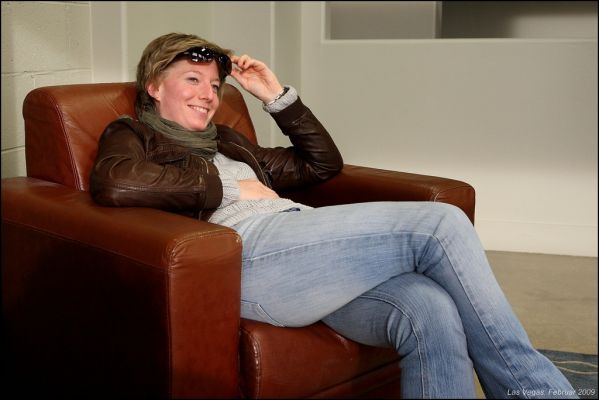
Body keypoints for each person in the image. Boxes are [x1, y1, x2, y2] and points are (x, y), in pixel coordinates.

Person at [90, 32, 577, 399]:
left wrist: (275, 97)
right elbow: (115, 182)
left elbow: (321, 165)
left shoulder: (230, 141)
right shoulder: (133, 133)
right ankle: (535, 389)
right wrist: (230, 187)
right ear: (154, 86)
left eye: (215, 85)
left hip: (296, 248)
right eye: (192, 80)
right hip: (245, 256)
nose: (208, 94)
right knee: (440, 223)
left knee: (429, 307)